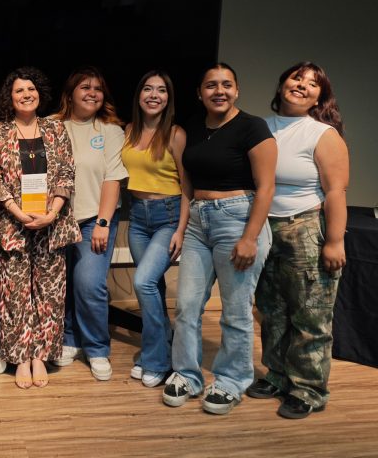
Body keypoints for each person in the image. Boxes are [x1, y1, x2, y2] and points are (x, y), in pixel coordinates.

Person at [163, 62, 277, 415]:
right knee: (186, 307)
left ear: (237, 90)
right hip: (199, 221)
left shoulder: (252, 127)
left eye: (227, 84)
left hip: (238, 219)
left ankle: (231, 380)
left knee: (236, 311)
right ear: (200, 93)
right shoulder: (195, 129)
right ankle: (186, 374)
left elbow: (266, 186)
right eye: (211, 85)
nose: (219, 91)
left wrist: (250, 236)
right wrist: (182, 228)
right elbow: (187, 184)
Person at [249, 62, 349, 419]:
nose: (302, 86)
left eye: (312, 83)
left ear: (320, 96)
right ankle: (277, 376)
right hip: (264, 228)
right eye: (296, 78)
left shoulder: (322, 134)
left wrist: (334, 240)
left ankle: (308, 389)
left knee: (310, 315)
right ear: (281, 84)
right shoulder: (261, 127)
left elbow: (336, 190)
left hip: (304, 226)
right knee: (272, 311)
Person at [0, 66, 81, 389]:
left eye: (31, 89)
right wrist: (16, 210)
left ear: (39, 94)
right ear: (9, 99)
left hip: (51, 224)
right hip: (12, 222)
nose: (26, 95)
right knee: (14, 294)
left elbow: (67, 172)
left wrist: (52, 213)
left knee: (50, 294)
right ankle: (21, 357)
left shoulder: (55, 129)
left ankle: (41, 354)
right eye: (19, 91)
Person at [53, 66, 128, 381]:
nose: (92, 93)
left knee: (89, 284)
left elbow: (113, 178)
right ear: (71, 93)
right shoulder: (52, 127)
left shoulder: (110, 131)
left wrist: (102, 222)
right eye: (85, 87)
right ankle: (70, 338)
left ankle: (97, 348)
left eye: (98, 88)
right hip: (55, 220)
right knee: (65, 284)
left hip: (93, 221)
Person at [121, 70, 190, 388]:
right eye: (147, 88)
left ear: (168, 98)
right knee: (155, 289)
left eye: (161, 90)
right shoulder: (129, 130)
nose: (153, 95)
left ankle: (156, 362)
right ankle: (166, 349)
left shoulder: (176, 134)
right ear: (138, 96)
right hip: (138, 218)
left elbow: (188, 188)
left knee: (144, 282)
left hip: (167, 216)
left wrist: (180, 230)